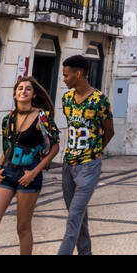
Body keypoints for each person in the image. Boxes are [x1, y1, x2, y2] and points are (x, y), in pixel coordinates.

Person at [0, 76, 60, 255]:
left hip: (29, 172)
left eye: (27, 89)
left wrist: (35, 172)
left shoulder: (42, 117)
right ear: (15, 94)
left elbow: (55, 146)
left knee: (23, 227)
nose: (23, 91)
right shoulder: (8, 119)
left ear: (33, 95)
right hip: (8, 172)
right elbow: (7, 147)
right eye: (20, 89)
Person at [58, 54, 114, 256]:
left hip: (89, 166)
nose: (63, 79)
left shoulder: (99, 100)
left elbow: (109, 131)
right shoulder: (66, 99)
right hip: (68, 165)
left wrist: (94, 152)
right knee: (79, 217)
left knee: (74, 216)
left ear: (78, 74)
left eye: (66, 75)